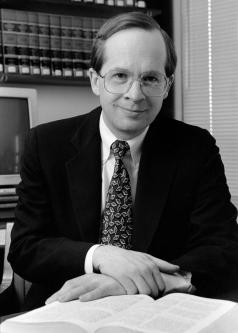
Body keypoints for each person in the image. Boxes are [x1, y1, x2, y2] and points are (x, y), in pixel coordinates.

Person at [8, 11, 238, 310]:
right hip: (67, 307)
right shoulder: (46, 144)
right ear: (95, 80)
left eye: (150, 78)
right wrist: (102, 255)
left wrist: (142, 280)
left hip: (160, 308)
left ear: (166, 86)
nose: (135, 94)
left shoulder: (195, 148)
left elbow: (225, 248)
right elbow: (26, 248)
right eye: (120, 76)